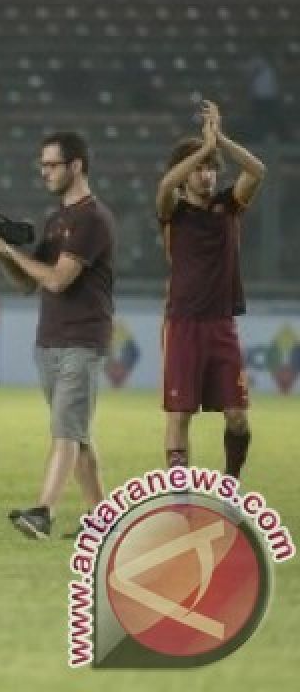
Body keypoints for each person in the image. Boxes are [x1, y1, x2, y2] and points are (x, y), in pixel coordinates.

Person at [0, 132, 116, 540]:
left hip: (81, 340)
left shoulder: (91, 217)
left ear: (76, 166)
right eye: (42, 165)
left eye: (52, 165)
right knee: (77, 434)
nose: (44, 172)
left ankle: (43, 512)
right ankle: (102, 519)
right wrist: (1, 253)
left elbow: (56, 280)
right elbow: (26, 283)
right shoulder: (58, 219)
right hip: (51, 340)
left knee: (66, 432)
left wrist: (11, 251)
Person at [155, 101, 265, 478]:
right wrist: (203, 148)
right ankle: (179, 494)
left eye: (211, 169)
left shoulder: (229, 206)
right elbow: (166, 185)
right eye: (200, 169)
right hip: (182, 323)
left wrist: (219, 140)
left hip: (221, 323)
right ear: (186, 174)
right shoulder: (173, 211)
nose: (206, 175)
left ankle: (230, 483)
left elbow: (257, 170)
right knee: (180, 414)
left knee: (237, 417)